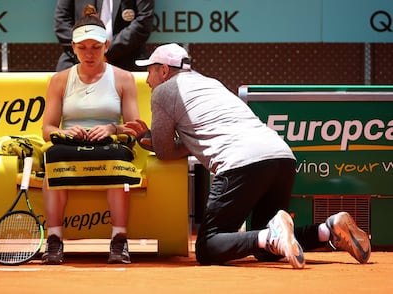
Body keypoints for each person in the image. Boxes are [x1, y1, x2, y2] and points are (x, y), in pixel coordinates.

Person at [125, 43, 371, 269]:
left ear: (165, 71)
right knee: (268, 248)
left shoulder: (164, 91)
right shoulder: (211, 83)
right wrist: (190, 143)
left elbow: (166, 151)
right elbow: (197, 139)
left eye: (150, 71)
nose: (147, 79)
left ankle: (271, 233)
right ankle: (329, 230)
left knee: (208, 247)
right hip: (281, 157)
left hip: (240, 162)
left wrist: (144, 137)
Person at [41, 5, 139, 265]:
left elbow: (133, 127)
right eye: (82, 47)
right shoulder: (59, 80)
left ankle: (119, 240)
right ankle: (54, 240)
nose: (89, 53)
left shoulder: (124, 78)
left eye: (95, 47)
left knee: (119, 159)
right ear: (73, 47)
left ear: (106, 45)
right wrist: (63, 132)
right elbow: (47, 130)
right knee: (53, 156)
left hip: (109, 144)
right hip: (70, 145)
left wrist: (111, 129)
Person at [54, 0, 154, 72]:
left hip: (125, 57)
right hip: (78, 58)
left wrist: (104, 52)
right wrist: (86, 50)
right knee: (61, 78)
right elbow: (61, 22)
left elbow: (143, 23)